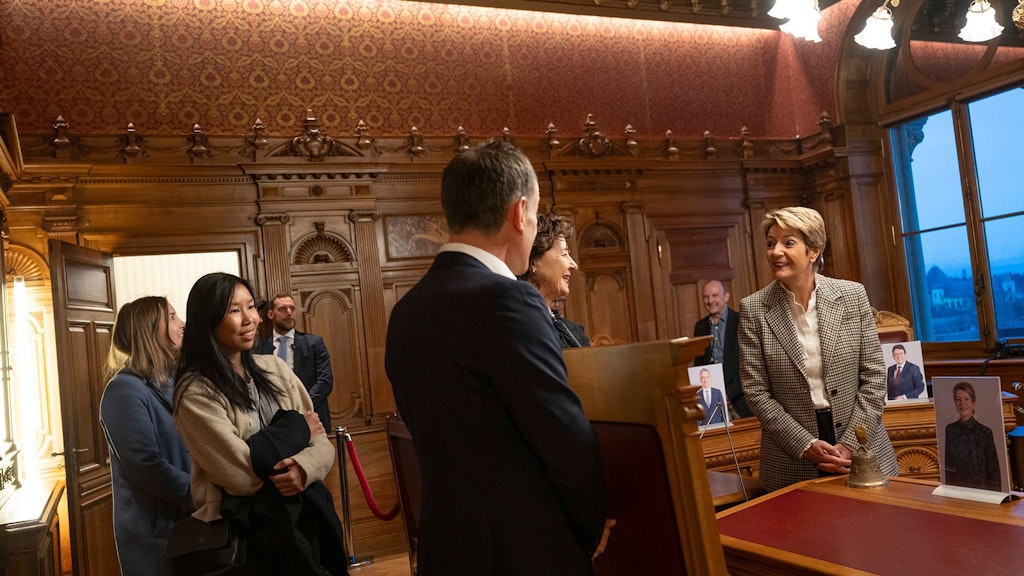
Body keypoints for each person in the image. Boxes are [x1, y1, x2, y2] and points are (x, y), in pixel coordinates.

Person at [384, 140, 611, 576]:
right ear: (519, 213)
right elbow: (564, 439)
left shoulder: (406, 311)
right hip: (525, 551)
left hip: (446, 549)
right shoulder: (509, 301)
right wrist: (587, 529)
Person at [173, 273, 347, 576]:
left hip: (307, 517)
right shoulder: (196, 391)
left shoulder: (274, 368)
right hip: (249, 534)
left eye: (251, 306)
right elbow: (240, 475)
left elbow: (322, 443)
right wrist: (298, 429)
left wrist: (303, 468)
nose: (249, 319)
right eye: (234, 310)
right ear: (208, 319)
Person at [739, 206, 898, 493]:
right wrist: (805, 444)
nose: (776, 251)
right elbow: (756, 392)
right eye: (771, 243)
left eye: (788, 242)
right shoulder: (753, 309)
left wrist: (850, 442)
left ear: (814, 250)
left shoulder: (852, 296)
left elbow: (874, 376)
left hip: (861, 447)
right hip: (792, 458)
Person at [99, 296, 191, 576]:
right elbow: (146, 467)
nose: (183, 324)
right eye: (172, 317)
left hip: (187, 524)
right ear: (149, 330)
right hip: (156, 535)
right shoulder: (123, 391)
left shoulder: (174, 379)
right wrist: (205, 494)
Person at [254, 293, 335, 429]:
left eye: (292, 308)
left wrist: (302, 408)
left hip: (312, 416)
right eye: (282, 309)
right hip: (273, 421)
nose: (289, 313)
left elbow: (325, 381)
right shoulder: (260, 347)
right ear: (270, 314)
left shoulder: (314, 343)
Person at [518, 212, 590, 348]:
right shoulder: (515, 327)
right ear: (533, 260)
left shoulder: (575, 331)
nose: (574, 265)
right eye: (564, 254)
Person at [693, 279, 750, 417]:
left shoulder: (742, 321)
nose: (710, 300)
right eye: (706, 297)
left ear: (726, 296)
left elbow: (749, 364)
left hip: (741, 401)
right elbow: (699, 364)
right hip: (711, 403)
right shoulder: (700, 327)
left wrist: (729, 394)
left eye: (715, 295)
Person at [944, 381, 1002, 491]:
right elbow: (949, 468)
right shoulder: (950, 430)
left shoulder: (985, 432)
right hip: (958, 490)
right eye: (958, 400)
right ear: (955, 404)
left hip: (982, 490)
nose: (962, 404)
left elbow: (993, 470)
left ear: (973, 403)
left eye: (967, 399)